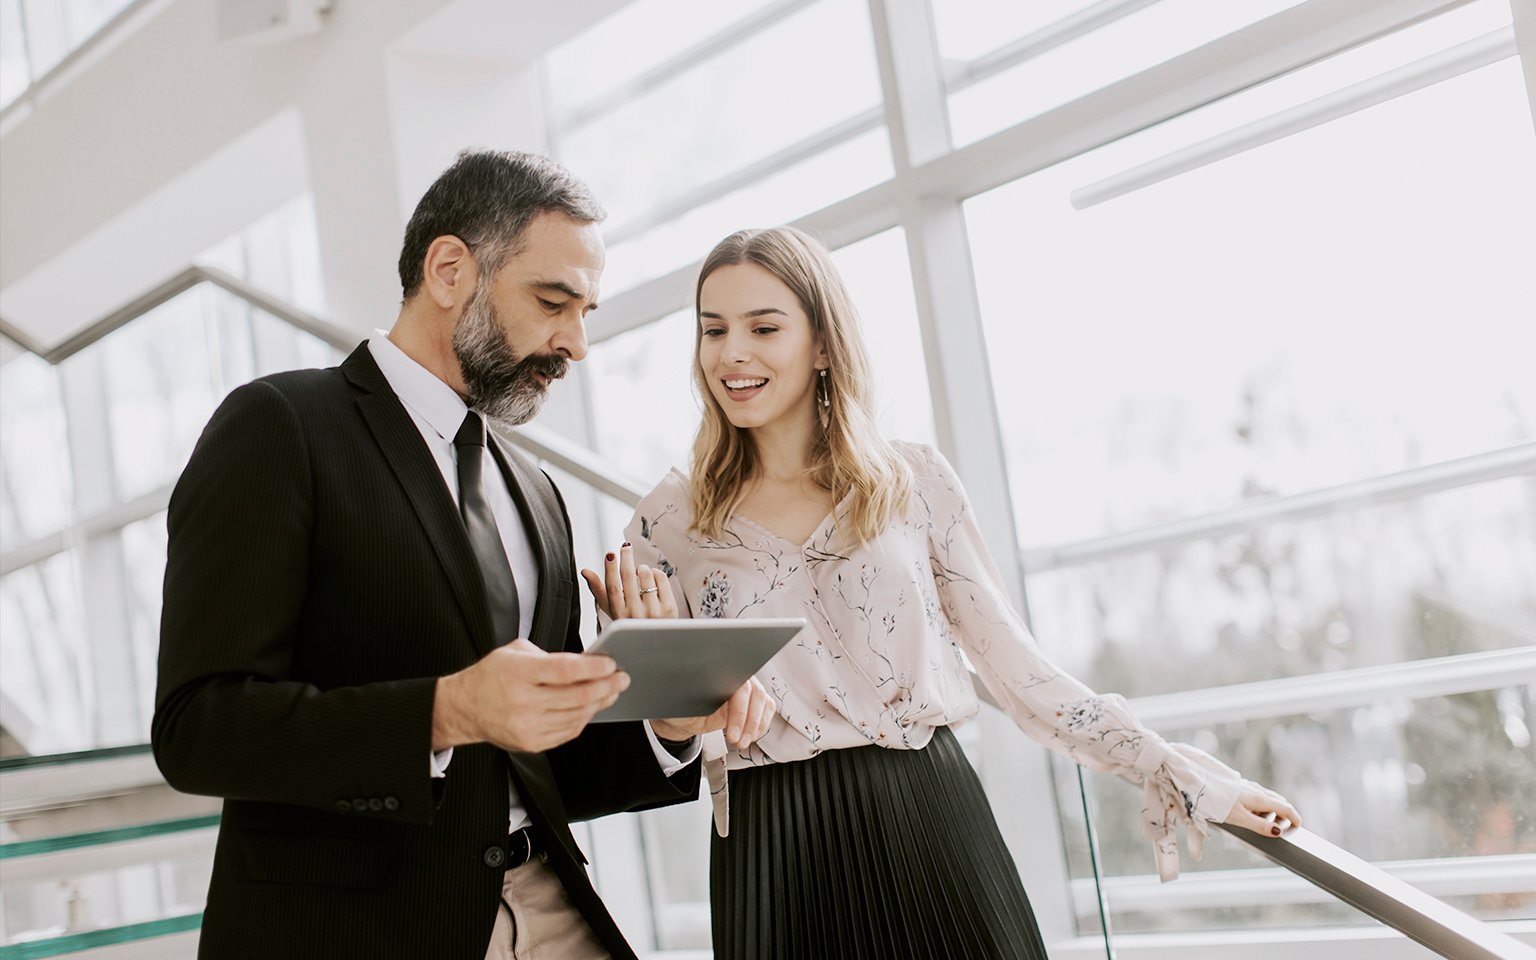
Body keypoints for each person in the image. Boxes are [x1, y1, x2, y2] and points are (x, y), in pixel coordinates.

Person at [582, 226, 1302, 960]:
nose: (732, 352)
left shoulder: (911, 482)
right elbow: (650, 721)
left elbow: (1014, 666)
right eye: (714, 330)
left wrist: (1172, 770)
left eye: (763, 327)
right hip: (775, 844)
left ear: (824, 344)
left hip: (928, 815)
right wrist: (663, 690)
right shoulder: (669, 523)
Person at [152, 150, 774, 960]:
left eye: (586, 311)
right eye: (554, 302)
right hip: (359, 930)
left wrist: (667, 723)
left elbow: (540, 765)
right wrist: (448, 711)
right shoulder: (281, 426)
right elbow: (199, 729)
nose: (576, 344)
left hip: (549, 907)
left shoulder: (534, 488)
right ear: (449, 269)